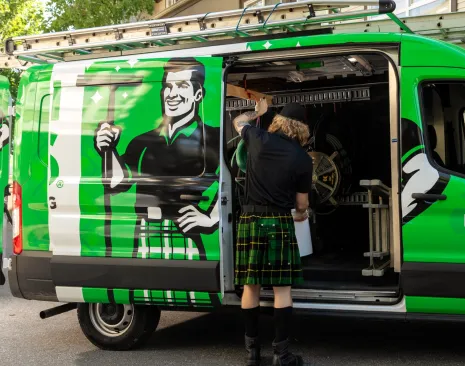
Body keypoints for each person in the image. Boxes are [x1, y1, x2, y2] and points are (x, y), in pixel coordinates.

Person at [94, 57, 220, 261]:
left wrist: (211, 217)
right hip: (147, 235)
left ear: (198, 94)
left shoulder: (215, 137)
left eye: (181, 86)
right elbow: (117, 184)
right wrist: (108, 150)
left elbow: (236, 178)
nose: (172, 94)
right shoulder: (142, 141)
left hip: (189, 236)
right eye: (168, 87)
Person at [232, 98, 312, 366]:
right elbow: (301, 204)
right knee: (281, 289)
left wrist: (256, 112)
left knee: (250, 286)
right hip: (279, 220)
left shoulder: (258, 137)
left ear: (278, 121)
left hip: (251, 219)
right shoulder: (302, 158)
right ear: (302, 129)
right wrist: (302, 215)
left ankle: (252, 352)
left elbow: (238, 122)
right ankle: (282, 354)